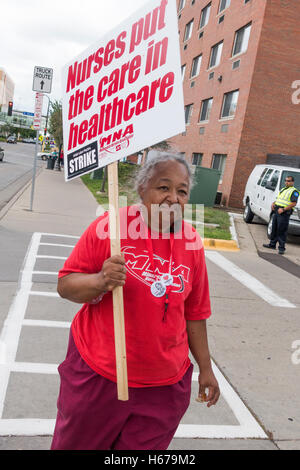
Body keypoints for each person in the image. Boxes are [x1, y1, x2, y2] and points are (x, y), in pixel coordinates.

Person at [50, 153, 220, 451]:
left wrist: (206, 368)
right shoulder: (111, 228)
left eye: (181, 191)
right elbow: (66, 285)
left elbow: (194, 313)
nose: (172, 198)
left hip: (164, 386)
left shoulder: (192, 242)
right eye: (163, 187)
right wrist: (100, 281)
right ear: (142, 189)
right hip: (100, 376)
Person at [263, 175, 299, 254]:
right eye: (286, 180)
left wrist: (283, 209)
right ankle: (272, 244)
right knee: (274, 228)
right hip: (277, 210)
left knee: (281, 230)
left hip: (284, 213)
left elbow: (293, 203)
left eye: (289, 181)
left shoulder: (294, 191)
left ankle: (281, 248)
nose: (286, 182)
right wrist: (274, 203)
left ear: (292, 182)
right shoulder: (283, 189)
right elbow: (279, 199)